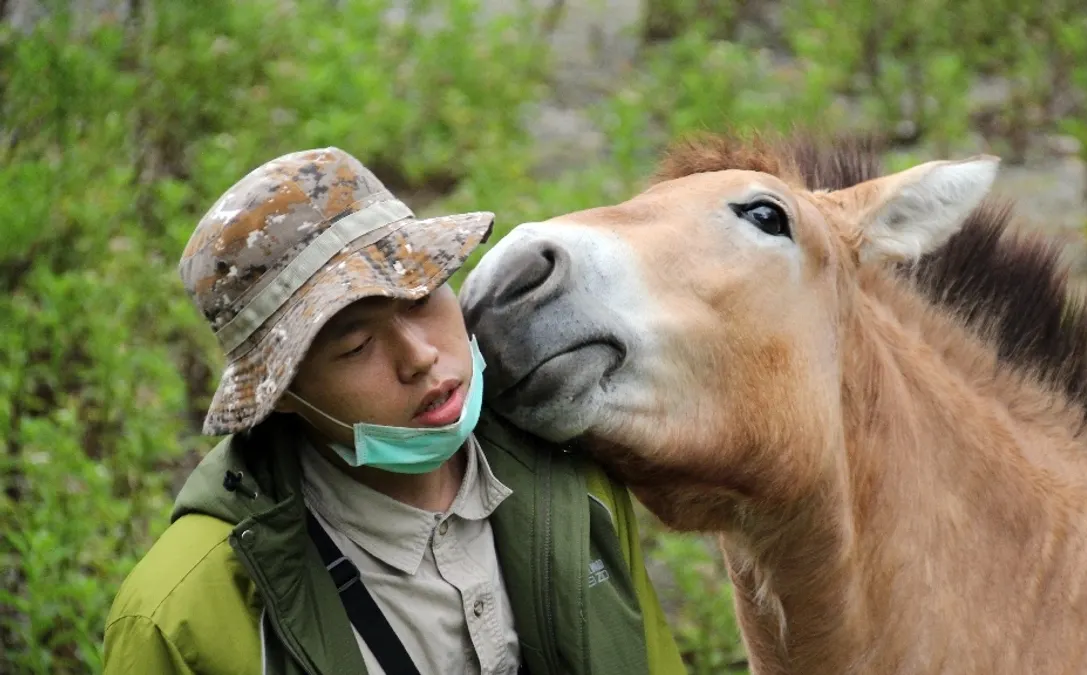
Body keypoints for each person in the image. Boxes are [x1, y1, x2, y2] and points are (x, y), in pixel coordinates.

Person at [101, 147, 686, 675]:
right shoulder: (181, 616)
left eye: (423, 296)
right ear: (281, 397)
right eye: (356, 346)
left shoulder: (569, 475)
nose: (420, 357)